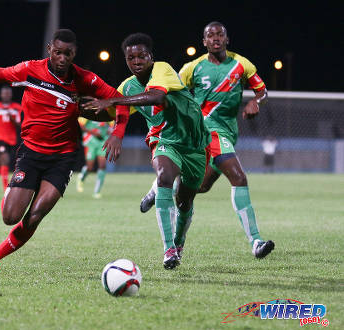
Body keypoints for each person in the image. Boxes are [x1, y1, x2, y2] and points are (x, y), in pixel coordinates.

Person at [0, 29, 129, 275]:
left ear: (74, 54)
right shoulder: (30, 71)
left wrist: (117, 133)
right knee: (10, 216)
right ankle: (13, 190)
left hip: (63, 158)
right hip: (31, 154)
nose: (62, 58)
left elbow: (120, 101)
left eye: (68, 54)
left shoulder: (85, 80)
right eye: (58, 53)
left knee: (35, 215)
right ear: (49, 51)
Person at [139, 22, 275, 259]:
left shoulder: (242, 65)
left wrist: (256, 102)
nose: (215, 38)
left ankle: (158, 187)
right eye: (210, 35)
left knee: (198, 187)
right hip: (205, 131)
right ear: (204, 42)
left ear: (227, 38)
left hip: (228, 133)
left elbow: (262, 91)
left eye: (219, 34)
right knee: (239, 176)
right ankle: (256, 241)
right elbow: (173, 92)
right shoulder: (193, 68)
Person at [83, 33, 210, 269]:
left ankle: (179, 241)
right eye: (131, 57)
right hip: (164, 140)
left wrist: (114, 102)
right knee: (165, 177)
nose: (137, 61)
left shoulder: (162, 69)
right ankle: (169, 250)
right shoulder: (127, 87)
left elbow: (156, 96)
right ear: (126, 60)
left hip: (194, 143)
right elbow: (109, 113)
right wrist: (76, 108)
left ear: (151, 57)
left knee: (185, 202)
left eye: (142, 56)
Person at [0, 86, 22, 195]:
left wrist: (13, 119)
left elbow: (20, 123)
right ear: (1, 95)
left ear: (11, 95)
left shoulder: (17, 107)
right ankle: (6, 190)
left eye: (8, 93)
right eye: (4, 93)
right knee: (5, 159)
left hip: (11, 139)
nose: (6, 95)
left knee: (1, 162)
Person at [76, 118, 112, 198]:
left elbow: (113, 125)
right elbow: (80, 125)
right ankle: (81, 177)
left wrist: (110, 131)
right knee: (90, 167)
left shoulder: (108, 110)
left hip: (103, 141)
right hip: (90, 141)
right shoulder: (89, 109)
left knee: (102, 166)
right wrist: (93, 132)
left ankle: (97, 192)